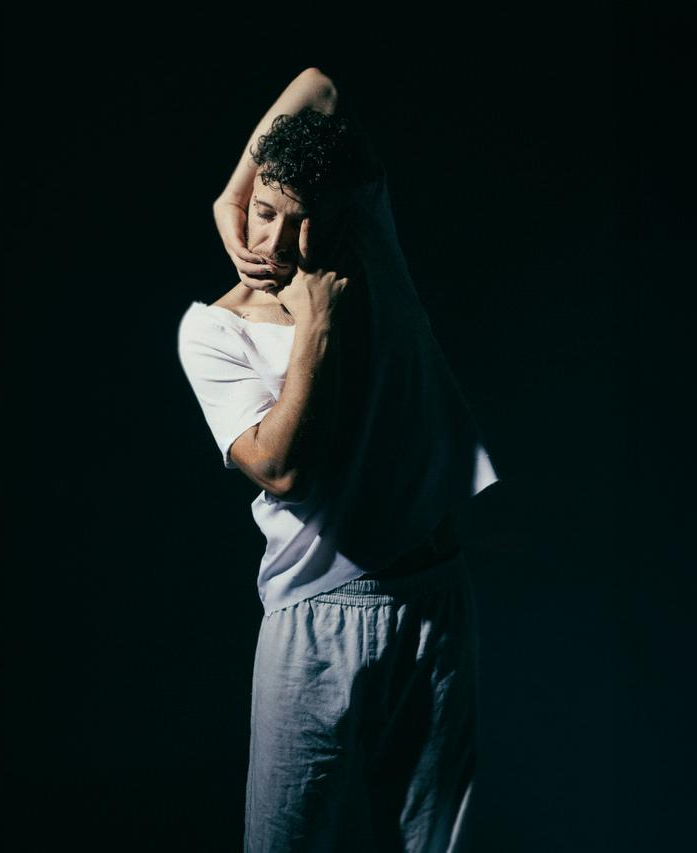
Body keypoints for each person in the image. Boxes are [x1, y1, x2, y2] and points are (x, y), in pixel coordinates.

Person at [176, 67, 501, 851]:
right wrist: (315, 325)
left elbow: (319, 86)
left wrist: (236, 191)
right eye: (261, 213)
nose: (272, 244)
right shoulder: (214, 331)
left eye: (300, 221)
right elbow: (280, 467)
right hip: (315, 620)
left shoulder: (367, 244)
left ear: (343, 212)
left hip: (434, 597)